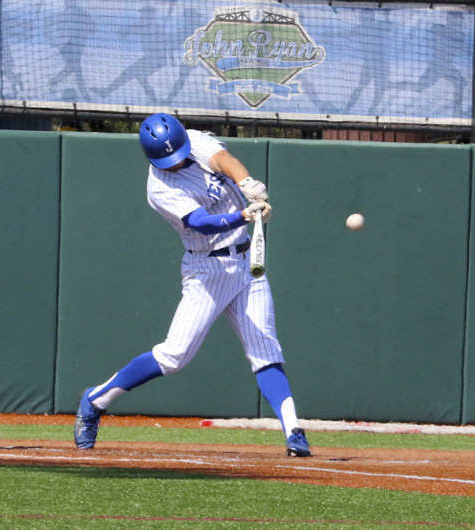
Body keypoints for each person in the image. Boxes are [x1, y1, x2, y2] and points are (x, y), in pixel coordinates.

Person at [73, 113, 311, 457]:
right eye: (169, 159)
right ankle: (95, 400)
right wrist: (242, 215)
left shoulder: (194, 139)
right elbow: (200, 223)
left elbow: (223, 160)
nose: (178, 161)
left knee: (265, 349)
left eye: (179, 153)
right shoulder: (160, 188)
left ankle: (294, 432)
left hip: (245, 263)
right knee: (174, 357)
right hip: (207, 270)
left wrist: (247, 184)